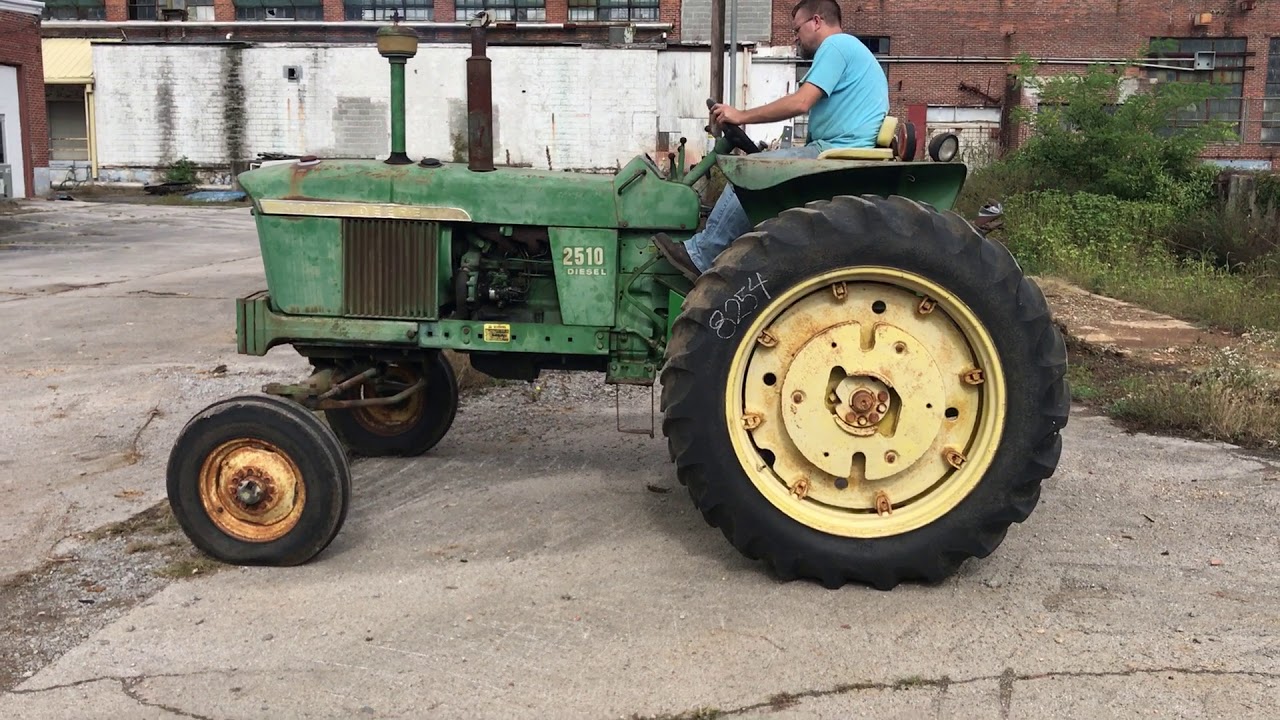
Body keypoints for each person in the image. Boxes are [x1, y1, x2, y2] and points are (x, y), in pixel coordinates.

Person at [653, 0, 890, 281]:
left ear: (816, 21)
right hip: (835, 149)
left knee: (749, 171)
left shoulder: (836, 46)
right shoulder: (849, 50)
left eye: (796, 29)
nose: (795, 37)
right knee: (758, 169)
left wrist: (741, 115)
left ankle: (702, 256)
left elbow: (801, 103)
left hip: (837, 153)